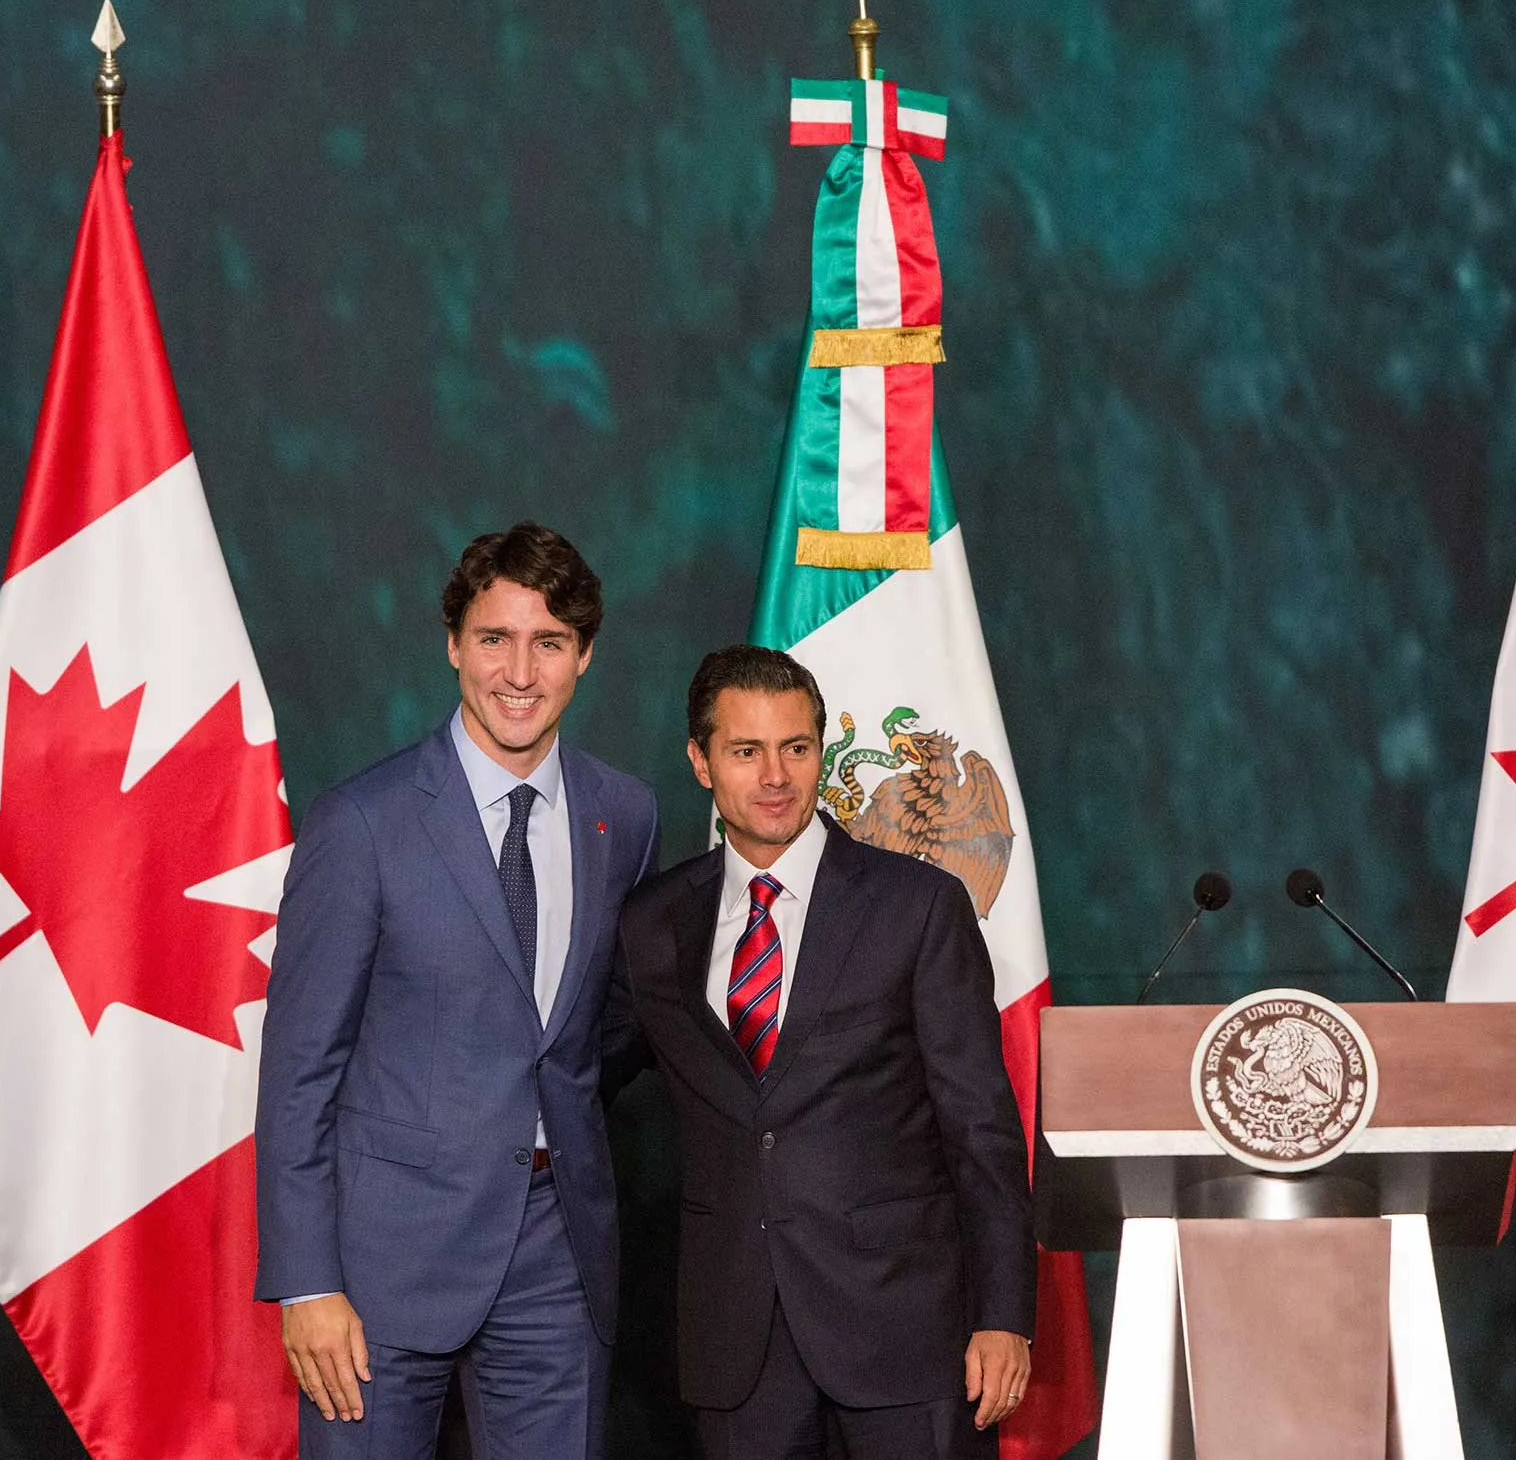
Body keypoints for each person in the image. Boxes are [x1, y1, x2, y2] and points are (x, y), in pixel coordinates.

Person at [254, 521, 660, 1459]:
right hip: (378, 1263)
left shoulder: (624, 813)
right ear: (452, 645)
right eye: (494, 638)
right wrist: (308, 1281)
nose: (519, 671)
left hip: (557, 1254)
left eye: (548, 642)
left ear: (585, 655)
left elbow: (606, 1025)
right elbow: (299, 1071)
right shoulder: (362, 822)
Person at [605, 644, 1033, 1460]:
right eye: (746, 750)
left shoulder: (918, 905)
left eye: (796, 747)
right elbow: (574, 1079)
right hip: (736, 1345)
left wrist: (1004, 1313)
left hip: (907, 1335)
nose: (776, 775)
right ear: (700, 761)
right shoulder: (652, 924)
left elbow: (982, 1127)